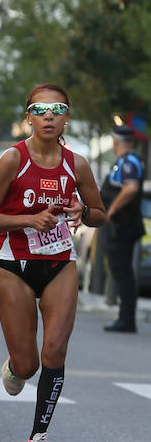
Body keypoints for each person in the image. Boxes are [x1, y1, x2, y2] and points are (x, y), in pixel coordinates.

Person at [0, 85, 105, 442]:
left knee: (55, 350)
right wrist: (29, 219)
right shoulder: (13, 160)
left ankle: (37, 438)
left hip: (59, 262)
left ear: (66, 116)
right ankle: (15, 365)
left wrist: (83, 212)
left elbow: (99, 212)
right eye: (40, 109)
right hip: (14, 264)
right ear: (28, 116)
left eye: (57, 108)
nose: (49, 115)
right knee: (28, 364)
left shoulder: (76, 164)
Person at [100, 124, 145, 333]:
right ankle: (124, 317)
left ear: (116, 142)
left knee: (122, 272)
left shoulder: (129, 162)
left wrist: (112, 209)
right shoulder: (124, 162)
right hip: (120, 226)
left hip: (123, 226)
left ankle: (126, 320)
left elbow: (131, 187)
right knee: (120, 271)